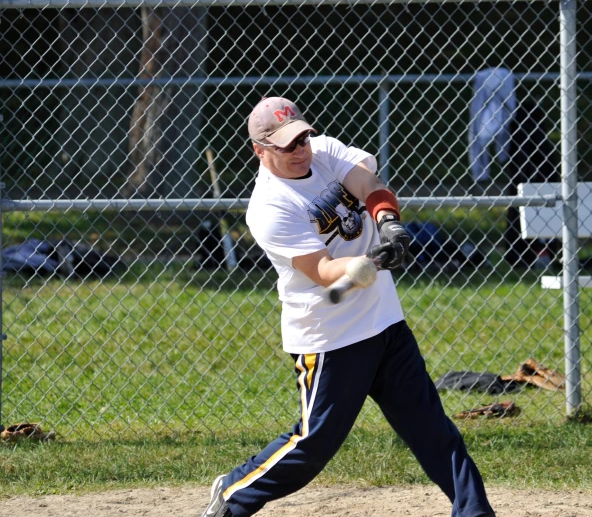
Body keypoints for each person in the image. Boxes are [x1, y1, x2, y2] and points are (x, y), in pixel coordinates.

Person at [200, 96, 495, 517]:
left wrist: (389, 224)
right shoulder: (268, 207)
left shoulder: (324, 152)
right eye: (287, 145)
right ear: (259, 151)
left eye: (302, 137)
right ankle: (234, 494)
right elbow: (322, 270)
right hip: (331, 338)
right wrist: (362, 264)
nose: (300, 149)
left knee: (432, 430)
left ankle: (475, 512)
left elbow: (368, 186)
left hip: (384, 322)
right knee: (314, 446)